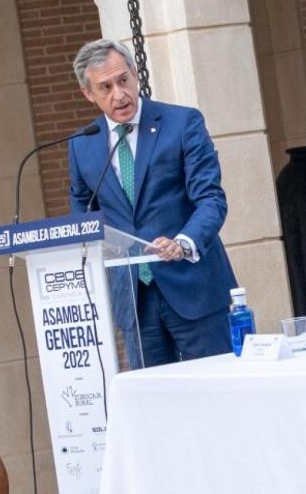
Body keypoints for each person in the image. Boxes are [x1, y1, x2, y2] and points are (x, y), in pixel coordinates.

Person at [68, 39, 237, 366]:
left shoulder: (183, 123)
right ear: (88, 94)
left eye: (123, 80)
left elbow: (211, 199)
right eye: (105, 87)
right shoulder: (82, 145)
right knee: (153, 407)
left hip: (194, 287)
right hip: (134, 300)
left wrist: (183, 242)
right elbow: (81, 218)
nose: (119, 94)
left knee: (216, 400)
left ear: (135, 74)